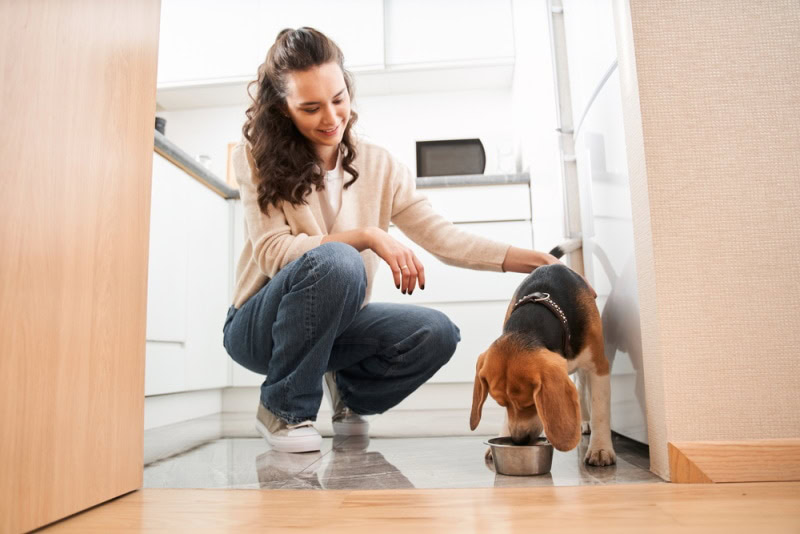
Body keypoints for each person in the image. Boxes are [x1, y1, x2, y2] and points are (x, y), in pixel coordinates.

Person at [222, 27, 565, 454]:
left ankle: (347, 393)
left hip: (334, 324)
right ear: (282, 108)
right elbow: (273, 252)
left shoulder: (380, 165)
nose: (331, 118)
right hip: (258, 328)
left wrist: (533, 262)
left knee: (436, 333)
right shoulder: (254, 157)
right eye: (311, 108)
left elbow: (443, 238)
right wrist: (368, 236)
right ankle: (283, 409)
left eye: (339, 99)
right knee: (339, 260)